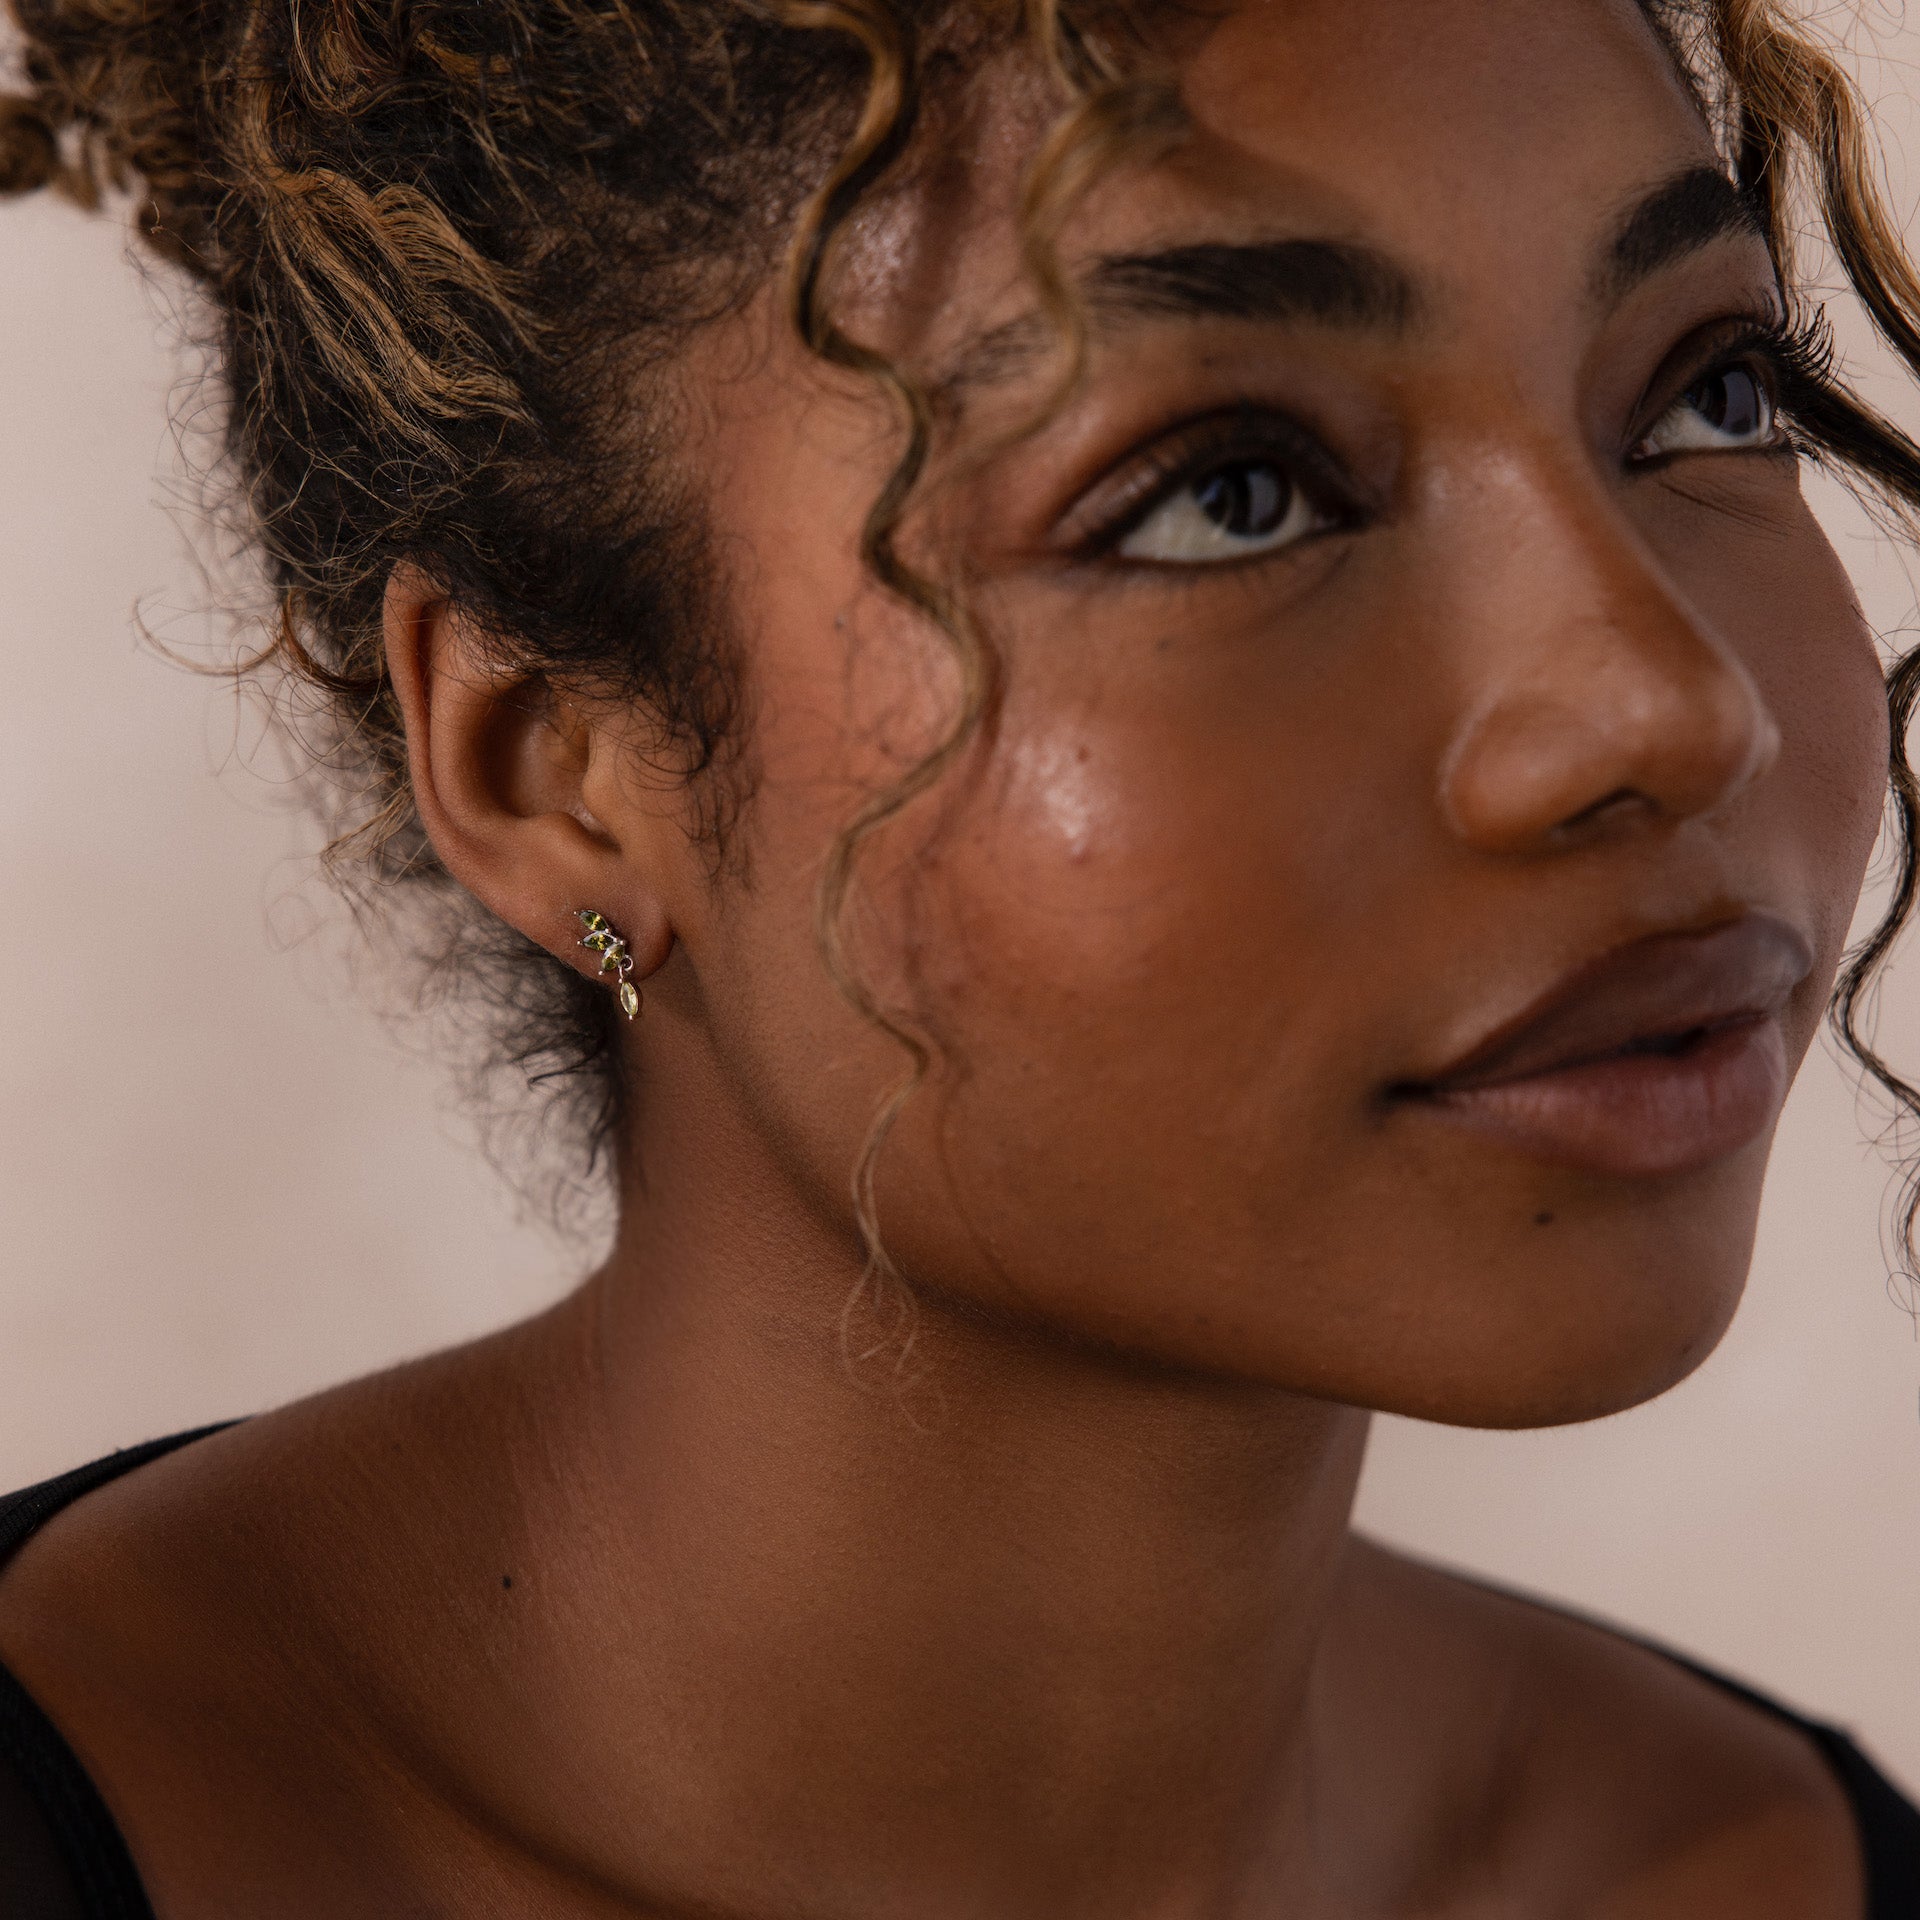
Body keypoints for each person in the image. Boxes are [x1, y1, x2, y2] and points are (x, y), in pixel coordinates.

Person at [0, 0, 1915, 1912]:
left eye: (1708, 393)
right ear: (554, 777)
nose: (1669, 704)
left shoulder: (1777, 1867)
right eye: (1225, 492)